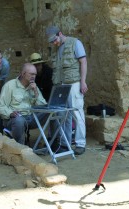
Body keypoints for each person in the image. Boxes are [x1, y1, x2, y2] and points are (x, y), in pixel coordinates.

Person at [46, 25, 88, 155]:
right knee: (64, 114)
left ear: (60, 33)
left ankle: (80, 144)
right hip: (62, 84)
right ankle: (65, 143)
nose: (54, 43)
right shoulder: (58, 49)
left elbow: (83, 62)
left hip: (74, 83)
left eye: (55, 39)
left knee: (77, 113)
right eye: (52, 41)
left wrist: (83, 82)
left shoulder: (75, 43)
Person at [0, 63, 49, 145]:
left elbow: (43, 106)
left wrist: (35, 91)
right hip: (14, 119)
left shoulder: (34, 86)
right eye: (31, 74)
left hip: (31, 118)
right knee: (19, 120)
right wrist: (10, 113)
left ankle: (56, 142)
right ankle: (20, 148)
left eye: (35, 74)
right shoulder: (10, 85)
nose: (34, 76)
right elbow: (1, 107)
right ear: (23, 73)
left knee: (52, 112)